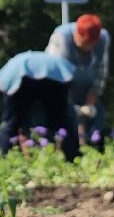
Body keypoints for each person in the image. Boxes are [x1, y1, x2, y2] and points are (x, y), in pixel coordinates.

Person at [0, 49, 79, 161]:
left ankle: (6, 161)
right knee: (60, 122)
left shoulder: (17, 61)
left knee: (11, 124)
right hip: (51, 75)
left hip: (21, 73)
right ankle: (71, 160)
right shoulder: (52, 61)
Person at [46, 13, 109, 146]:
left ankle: (95, 153)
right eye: (86, 43)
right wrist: (72, 109)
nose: (89, 48)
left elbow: (100, 74)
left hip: (86, 91)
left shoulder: (104, 39)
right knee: (65, 126)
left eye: (93, 44)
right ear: (77, 34)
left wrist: (90, 100)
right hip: (61, 90)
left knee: (98, 117)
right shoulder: (61, 38)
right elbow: (53, 77)